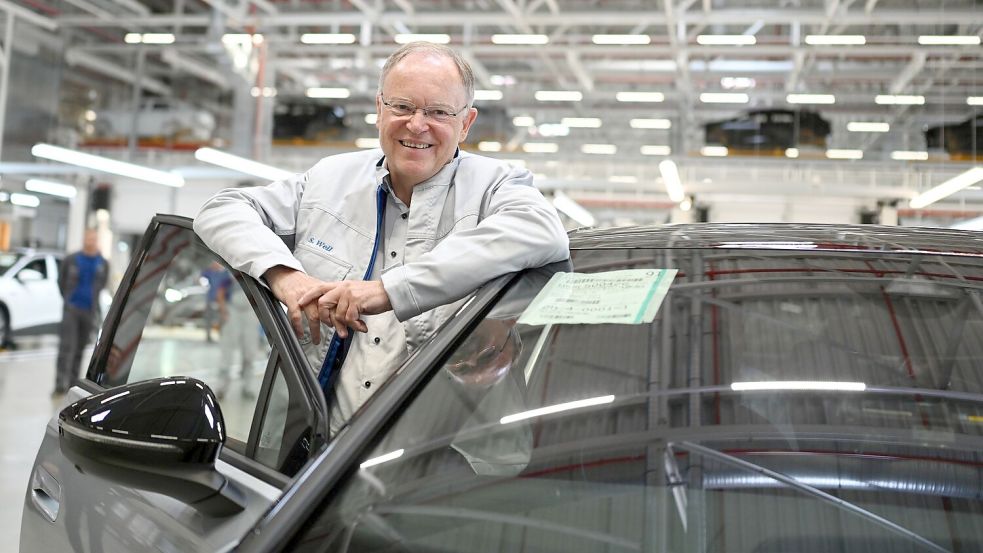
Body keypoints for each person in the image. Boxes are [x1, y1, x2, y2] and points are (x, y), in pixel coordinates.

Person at [194, 42, 569, 434]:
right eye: (402, 107)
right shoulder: (329, 180)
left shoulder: (497, 187)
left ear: (466, 122)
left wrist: (388, 291)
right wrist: (286, 276)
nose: (417, 125)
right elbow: (221, 209)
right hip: (319, 448)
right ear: (379, 109)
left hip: (433, 452)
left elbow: (542, 231)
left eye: (438, 112)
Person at [54, 228, 108, 395]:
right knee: (66, 348)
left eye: (93, 238)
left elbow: (102, 284)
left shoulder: (103, 263)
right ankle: (59, 383)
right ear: (84, 239)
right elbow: (61, 281)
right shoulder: (72, 259)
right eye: (88, 238)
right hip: (72, 309)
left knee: (79, 349)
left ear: (97, 240)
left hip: (89, 311)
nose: (90, 241)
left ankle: (72, 383)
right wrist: (68, 300)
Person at [200, 260, 229, 342]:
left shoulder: (224, 274)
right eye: (213, 264)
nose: (215, 265)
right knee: (208, 318)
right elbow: (202, 277)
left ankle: (222, 335)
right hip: (210, 298)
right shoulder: (210, 273)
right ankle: (208, 336)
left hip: (222, 300)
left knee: (222, 319)